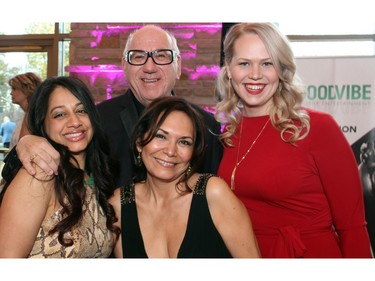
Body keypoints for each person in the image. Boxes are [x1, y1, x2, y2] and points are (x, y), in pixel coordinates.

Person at [215, 22, 372, 258]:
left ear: (281, 70)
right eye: (244, 63)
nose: (255, 74)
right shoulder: (227, 133)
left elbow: (352, 227)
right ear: (228, 68)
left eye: (267, 63)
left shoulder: (317, 128)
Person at [7, 25, 223, 187]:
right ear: (124, 66)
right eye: (138, 57)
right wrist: (27, 142)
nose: (149, 67)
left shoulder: (206, 125)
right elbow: (54, 163)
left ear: (178, 66)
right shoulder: (96, 120)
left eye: (161, 56)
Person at [108, 96, 260, 258]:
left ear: (194, 153)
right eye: (161, 136)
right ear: (139, 143)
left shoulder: (213, 194)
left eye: (184, 142)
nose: (171, 151)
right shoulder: (119, 205)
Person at [0, 76, 119, 258]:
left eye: (81, 110)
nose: (74, 122)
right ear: (43, 123)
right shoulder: (39, 175)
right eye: (59, 114)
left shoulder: (94, 177)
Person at [8, 72, 42, 149]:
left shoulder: (33, 115)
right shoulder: (25, 115)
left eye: (14, 89)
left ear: (27, 89)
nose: (11, 93)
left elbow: (25, 147)